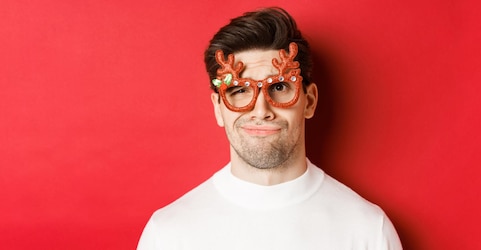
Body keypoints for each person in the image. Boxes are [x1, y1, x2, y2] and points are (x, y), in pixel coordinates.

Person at [137, 7, 402, 250]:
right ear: (218, 107)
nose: (261, 110)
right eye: (240, 90)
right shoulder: (168, 235)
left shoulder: (368, 231)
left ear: (309, 101)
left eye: (279, 87)